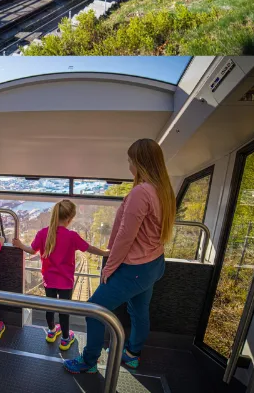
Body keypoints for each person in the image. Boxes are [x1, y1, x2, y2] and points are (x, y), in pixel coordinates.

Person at [63, 139, 174, 374]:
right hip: (153, 264)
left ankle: (88, 361)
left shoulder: (141, 192)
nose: (129, 165)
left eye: (130, 160)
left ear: (139, 162)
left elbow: (125, 236)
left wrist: (109, 267)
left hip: (133, 268)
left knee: (94, 310)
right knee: (138, 310)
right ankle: (132, 354)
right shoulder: (163, 190)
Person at [12, 199, 109, 350]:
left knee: (49, 307)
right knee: (64, 311)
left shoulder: (43, 233)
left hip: (48, 280)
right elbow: (89, 248)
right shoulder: (72, 236)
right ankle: (65, 338)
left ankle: (51, 332)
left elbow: (31, 250)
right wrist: (104, 252)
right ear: (70, 219)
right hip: (65, 282)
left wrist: (19, 245)